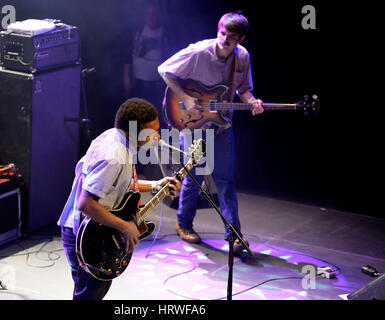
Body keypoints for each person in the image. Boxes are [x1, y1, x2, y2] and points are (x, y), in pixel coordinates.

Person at [157, 11, 264, 254]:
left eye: (231, 36)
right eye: (222, 33)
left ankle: (234, 235)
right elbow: (164, 69)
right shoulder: (199, 52)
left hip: (223, 125)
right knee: (194, 177)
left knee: (226, 180)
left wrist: (253, 102)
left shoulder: (243, 57)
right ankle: (184, 224)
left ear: (241, 39)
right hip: (193, 123)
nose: (224, 39)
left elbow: (245, 90)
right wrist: (185, 97)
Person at [57, 98, 180, 300]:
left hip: (96, 230)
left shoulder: (118, 140)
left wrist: (156, 185)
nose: (157, 137)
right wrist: (124, 226)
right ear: (132, 131)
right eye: (152, 132)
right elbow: (86, 204)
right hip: (87, 236)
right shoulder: (113, 156)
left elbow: (117, 184)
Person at [123, 0, 170, 129]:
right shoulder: (138, 31)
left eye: (154, 14)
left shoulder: (165, 34)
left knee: (156, 119)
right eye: (149, 14)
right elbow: (127, 56)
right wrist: (127, 78)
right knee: (135, 117)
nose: (152, 17)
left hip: (156, 84)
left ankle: (157, 146)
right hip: (138, 83)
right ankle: (134, 146)